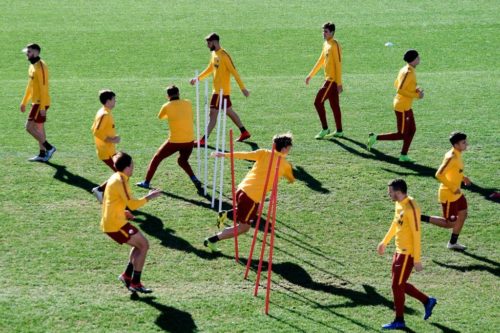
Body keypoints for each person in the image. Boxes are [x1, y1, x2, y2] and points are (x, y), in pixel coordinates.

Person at [204, 133, 295, 253]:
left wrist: (224, 154)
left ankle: (225, 214)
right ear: (284, 149)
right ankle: (212, 240)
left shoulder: (263, 153)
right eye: (289, 148)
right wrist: (290, 178)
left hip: (241, 190)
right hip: (251, 198)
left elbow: (244, 155)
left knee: (245, 213)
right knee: (243, 228)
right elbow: (291, 179)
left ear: (273, 145)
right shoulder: (285, 165)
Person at [377, 179, 437, 330]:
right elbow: (395, 223)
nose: (388, 194)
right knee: (399, 284)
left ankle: (399, 320)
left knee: (396, 285)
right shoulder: (398, 204)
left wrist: (417, 259)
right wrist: (385, 242)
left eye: (390, 192)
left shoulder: (411, 208)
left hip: (407, 254)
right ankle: (427, 301)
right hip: (398, 251)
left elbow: (417, 234)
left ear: (398, 192)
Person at [100, 151, 162, 293]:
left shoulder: (115, 177)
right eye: (132, 166)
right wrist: (149, 197)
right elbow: (133, 204)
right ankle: (135, 283)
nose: (133, 168)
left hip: (115, 220)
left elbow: (110, 200)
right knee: (144, 245)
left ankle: (127, 276)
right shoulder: (120, 180)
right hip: (115, 225)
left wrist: (123, 212)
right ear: (127, 168)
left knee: (139, 245)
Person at [189, 33, 251, 145]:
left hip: (220, 92)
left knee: (212, 113)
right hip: (218, 90)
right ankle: (244, 132)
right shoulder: (214, 54)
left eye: (208, 43)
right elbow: (210, 68)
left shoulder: (224, 55)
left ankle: (203, 140)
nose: (207, 45)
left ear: (215, 42)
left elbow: (234, 72)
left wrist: (243, 89)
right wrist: (198, 78)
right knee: (229, 111)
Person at [136, 85, 202, 190]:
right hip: (189, 140)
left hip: (174, 141)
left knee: (157, 158)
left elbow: (160, 117)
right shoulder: (188, 103)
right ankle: (194, 178)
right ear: (179, 93)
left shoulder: (166, 106)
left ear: (168, 96)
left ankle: (146, 182)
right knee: (182, 161)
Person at [367, 50, 424, 162]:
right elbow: (399, 89)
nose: (419, 59)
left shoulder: (407, 69)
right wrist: (416, 95)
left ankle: (403, 155)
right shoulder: (408, 72)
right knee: (401, 134)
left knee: (412, 130)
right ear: (413, 60)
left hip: (406, 106)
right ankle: (375, 137)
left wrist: (415, 89)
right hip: (402, 107)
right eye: (418, 57)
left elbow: (397, 83)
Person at [305, 22, 344, 140]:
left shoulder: (334, 45)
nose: (324, 33)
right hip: (329, 80)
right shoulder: (326, 44)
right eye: (323, 31)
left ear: (332, 32)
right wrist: (310, 75)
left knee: (317, 102)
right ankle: (339, 131)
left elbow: (338, 64)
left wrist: (339, 83)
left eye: (326, 32)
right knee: (334, 105)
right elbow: (321, 60)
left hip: (331, 81)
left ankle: (325, 129)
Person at [20, 43, 56, 162]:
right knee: (39, 128)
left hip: (40, 103)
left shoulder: (41, 67)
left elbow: (44, 88)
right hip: (35, 102)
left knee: (29, 127)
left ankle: (49, 148)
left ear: (35, 53)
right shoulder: (32, 66)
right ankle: (42, 154)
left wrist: (42, 107)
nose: (27, 54)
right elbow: (30, 86)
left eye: (29, 52)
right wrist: (24, 102)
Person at [435, 132, 471, 250]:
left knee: (463, 214)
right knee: (449, 224)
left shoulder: (458, 153)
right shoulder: (451, 157)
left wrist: (463, 177)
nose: (466, 144)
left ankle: (452, 243)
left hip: (457, 194)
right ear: (456, 145)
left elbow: (456, 171)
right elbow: (439, 174)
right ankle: (421, 217)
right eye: (463, 142)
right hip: (449, 194)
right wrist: (453, 188)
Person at [91, 90, 121, 203]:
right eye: (114, 99)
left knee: (121, 173)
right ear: (108, 101)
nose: (115, 101)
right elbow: (96, 131)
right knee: (121, 174)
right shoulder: (104, 114)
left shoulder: (104, 111)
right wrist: (112, 139)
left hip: (109, 149)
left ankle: (102, 191)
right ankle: (100, 190)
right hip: (106, 151)